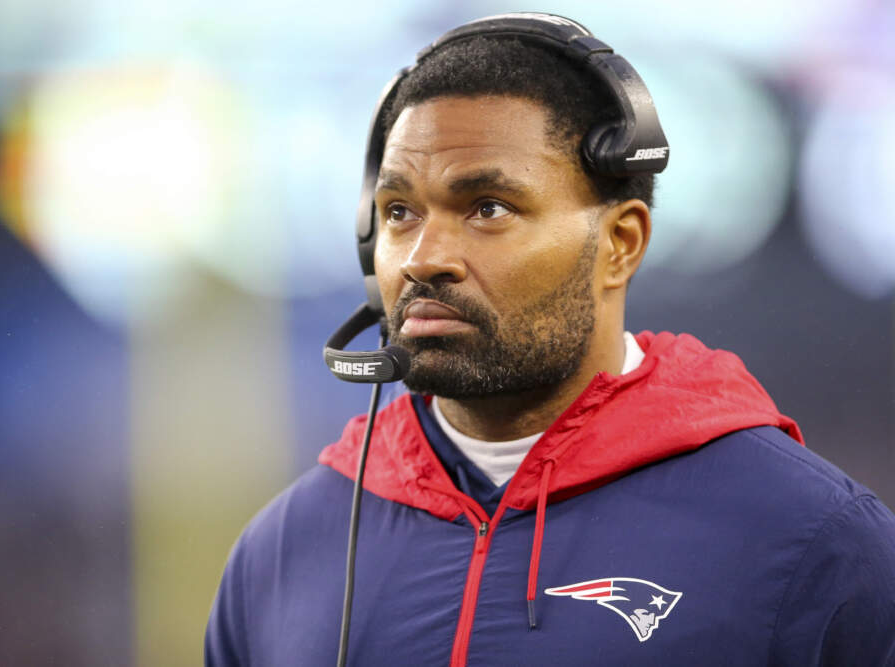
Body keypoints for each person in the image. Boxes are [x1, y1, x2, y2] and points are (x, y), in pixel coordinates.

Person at [206, 13, 895, 666]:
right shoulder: (281, 552)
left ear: (620, 243)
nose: (422, 257)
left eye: (488, 208)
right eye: (399, 212)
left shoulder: (811, 540)